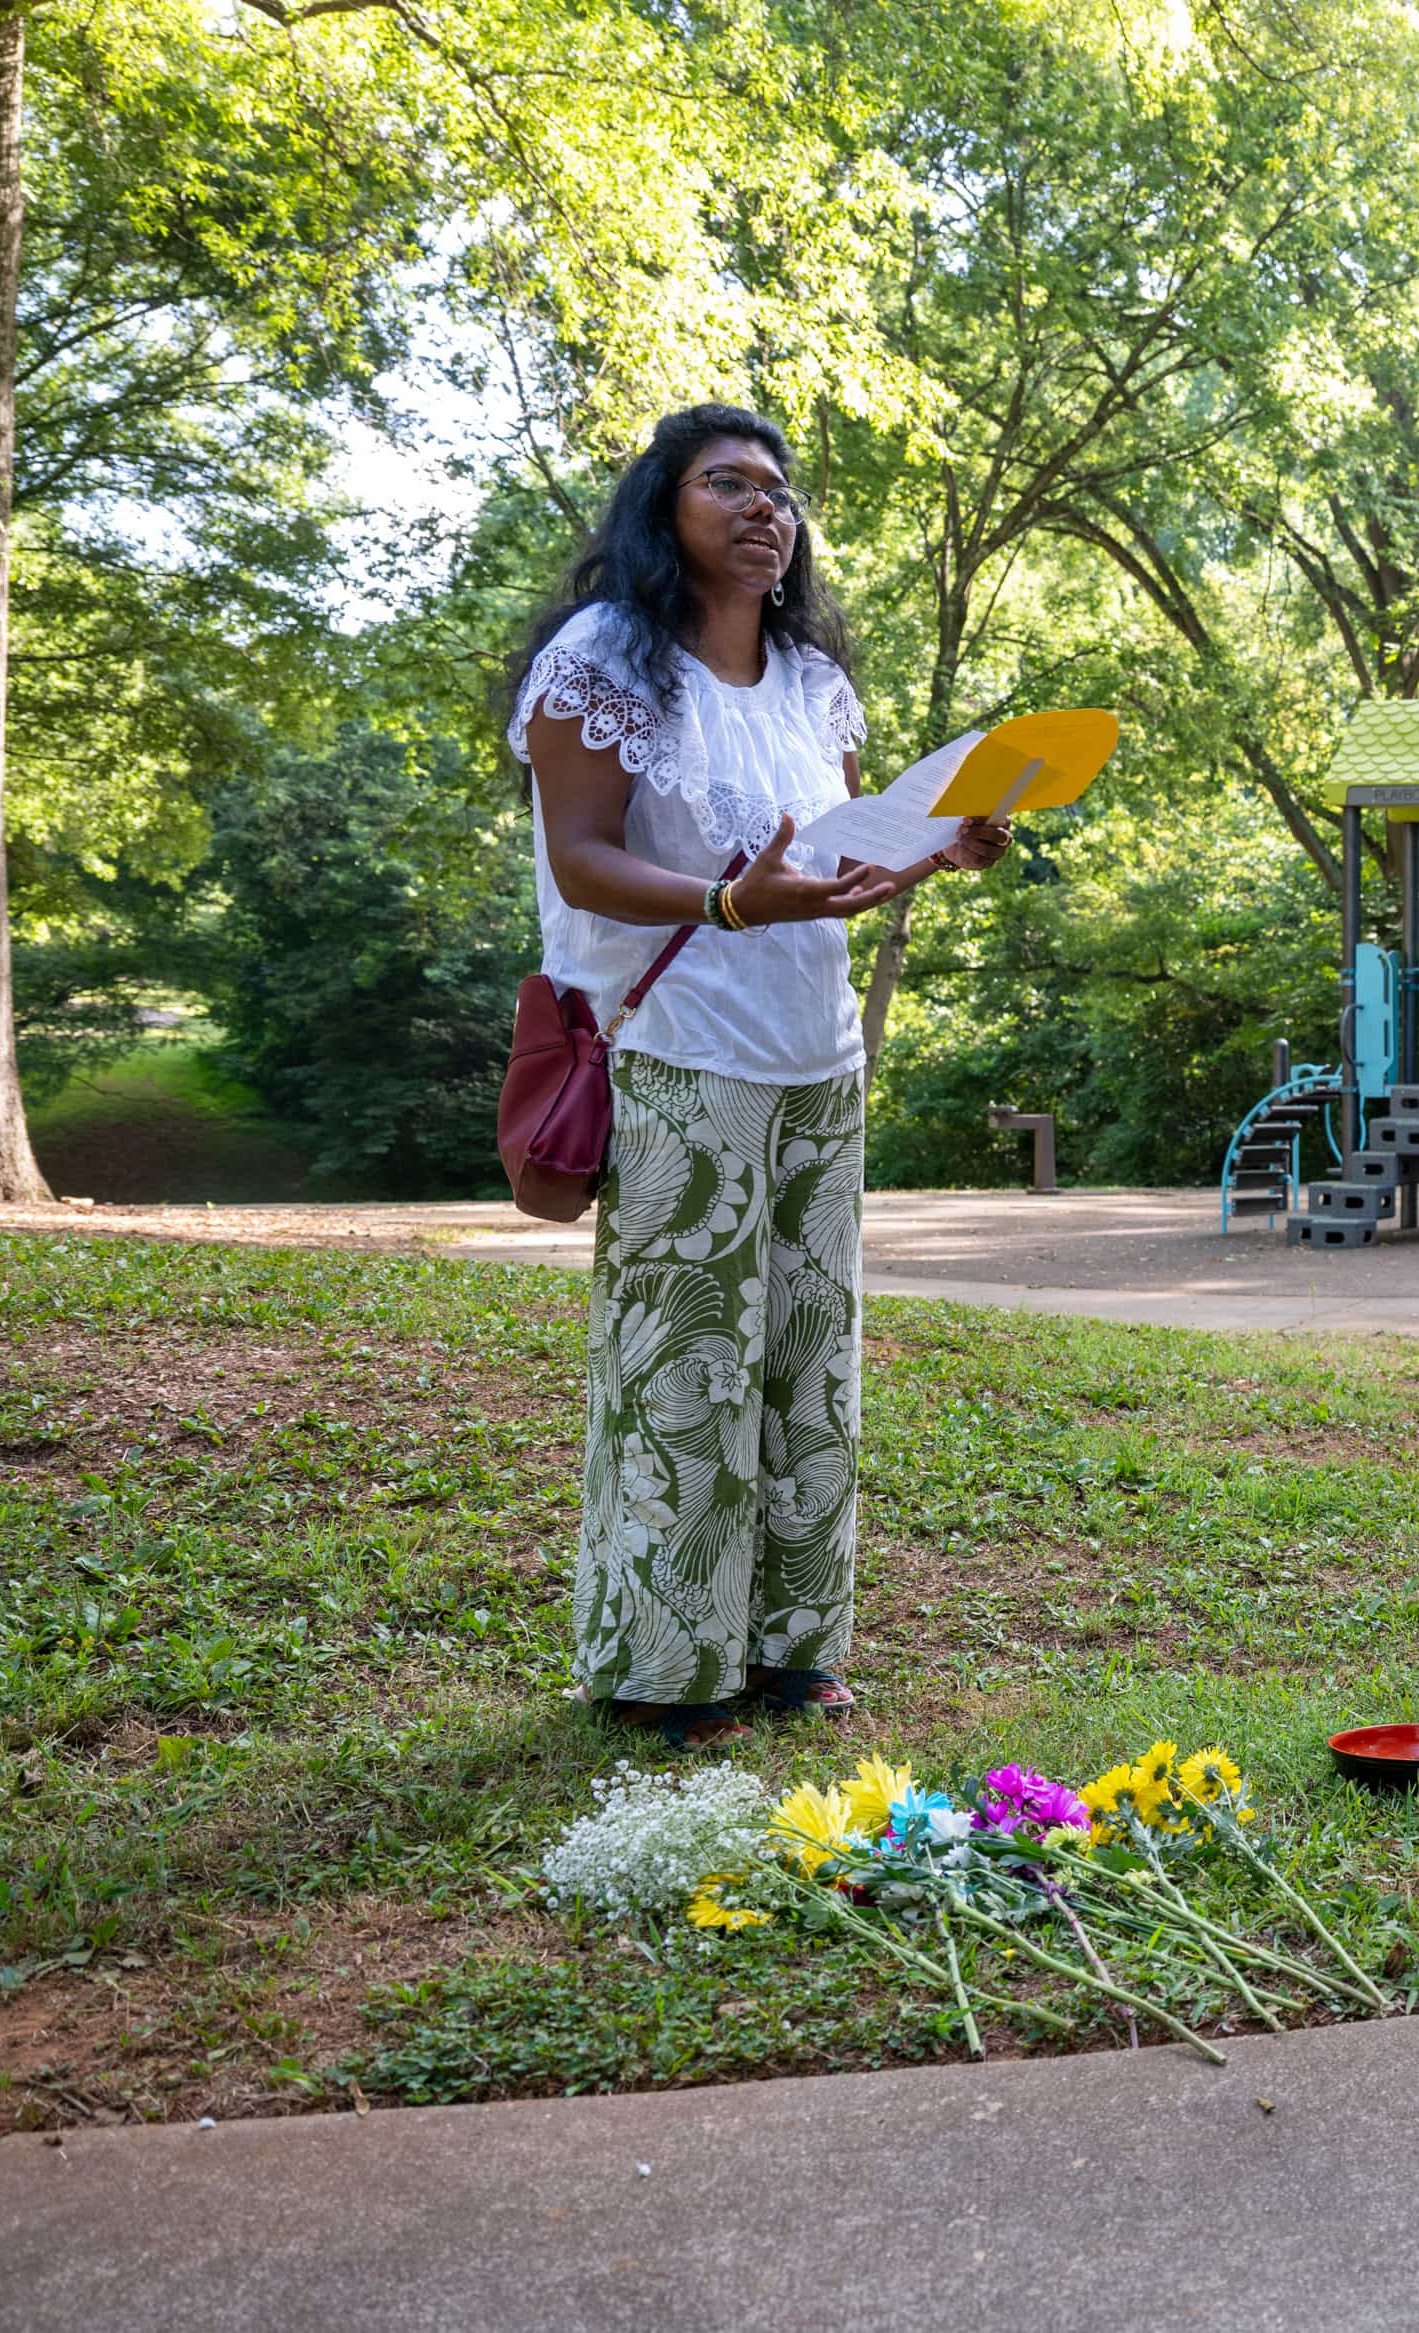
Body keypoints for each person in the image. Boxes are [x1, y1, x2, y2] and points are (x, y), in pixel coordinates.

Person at [515, 404, 1012, 1748]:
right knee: (686, 1370)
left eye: (778, 491)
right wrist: (729, 906)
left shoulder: (810, 686)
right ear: (661, 510)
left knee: (808, 1362)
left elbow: (835, 873)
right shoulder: (604, 663)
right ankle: (662, 1669)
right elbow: (582, 858)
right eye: (724, 482)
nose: (761, 507)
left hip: (816, 1058)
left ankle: (792, 1648)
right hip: (682, 1055)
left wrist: (941, 850)